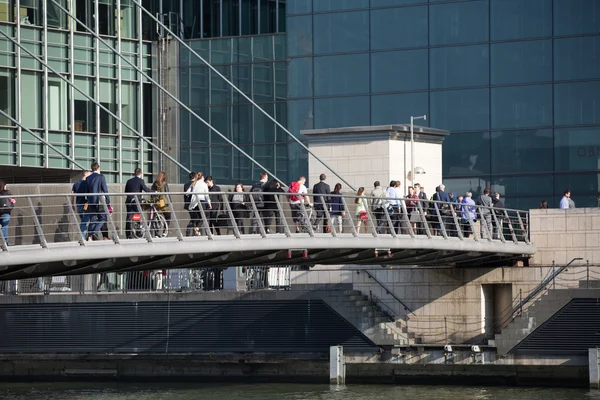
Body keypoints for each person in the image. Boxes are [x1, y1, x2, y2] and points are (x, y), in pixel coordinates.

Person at [124, 168, 153, 239]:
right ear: (141, 173)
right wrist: (154, 192)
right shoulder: (141, 181)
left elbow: (126, 191)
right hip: (136, 202)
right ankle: (138, 233)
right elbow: (146, 189)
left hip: (129, 201)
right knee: (138, 216)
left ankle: (128, 234)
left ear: (134, 173)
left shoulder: (129, 181)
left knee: (129, 217)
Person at [85, 162, 110, 241]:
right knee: (102, 218)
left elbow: (87, 191)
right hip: (99, 201)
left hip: (91, 201)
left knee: (93, 219)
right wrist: (108, 200)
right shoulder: (101, 177)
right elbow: (105, 189)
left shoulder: (88, 178)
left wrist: (87, 200)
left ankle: (90, 236)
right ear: (98, 168)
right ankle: (95, 232)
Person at [186, 171, 211, 236]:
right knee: (203, 216)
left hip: (194, 202)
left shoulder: (194, 183)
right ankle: (197, 227)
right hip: (201, 201)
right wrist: (209, 203)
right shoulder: (204, 184)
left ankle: (197, 231)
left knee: (197, 217)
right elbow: (206, 195)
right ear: (202, 177)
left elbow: (187, 193)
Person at [71, 170, 91, 240]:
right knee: (84, 222)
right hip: (86, 205)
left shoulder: (76, 184)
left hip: (78, 205)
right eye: (89, 174)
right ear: (85, 175)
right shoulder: (87, 183)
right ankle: (82, 237)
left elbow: (72, 195)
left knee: (83, 220)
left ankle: (86, 236)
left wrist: (72, 204)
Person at [151, 171, 172, 237]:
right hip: (163, 202)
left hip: (156, 202)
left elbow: (152, 192)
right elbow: (167, 194)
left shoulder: (155, 184)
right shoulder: (164, 184)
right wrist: (170, 202)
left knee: (156, 218)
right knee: (168, 217)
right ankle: (165, 232)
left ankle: (156, 233)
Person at [183, 172, 199, 236]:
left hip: (188, 204)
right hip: (194, 203)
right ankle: (189, 229)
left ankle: (194, 231)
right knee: (196, 218)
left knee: (193, 217)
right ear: (195, 177)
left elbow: (185, 195)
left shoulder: (186, 185)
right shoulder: (196, 184)